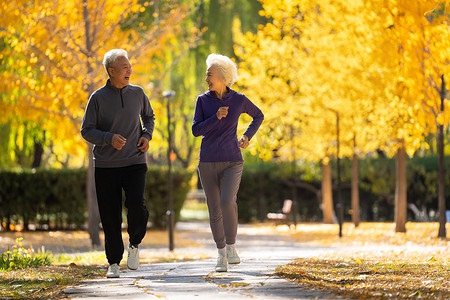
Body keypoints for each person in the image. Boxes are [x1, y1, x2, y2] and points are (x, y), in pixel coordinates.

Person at [81, 49, 155, 278]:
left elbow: (149, 117)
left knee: (137, 205)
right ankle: (113, 262)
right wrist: (108, 138)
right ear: (111, 71)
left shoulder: (138, 93)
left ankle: (134, 244)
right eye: (124, 67)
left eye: (130, 66)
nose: (129, 70)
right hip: (106, 166)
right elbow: (86, 130)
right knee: (110, 215)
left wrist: (146, 135)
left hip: (135, 161)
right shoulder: (97, 98)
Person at [192, 53, 264, 272]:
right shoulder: (203, 101)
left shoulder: (239, 100)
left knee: (226, 202)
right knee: (214, 208)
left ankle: (232, 247)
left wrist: (247, 136)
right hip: (207, 162)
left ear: (222, 76)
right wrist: (216, 118)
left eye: (209, 74)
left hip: (233, 160)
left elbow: (258, 116)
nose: (206, 78)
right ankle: (221, 254)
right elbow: (196, 130)